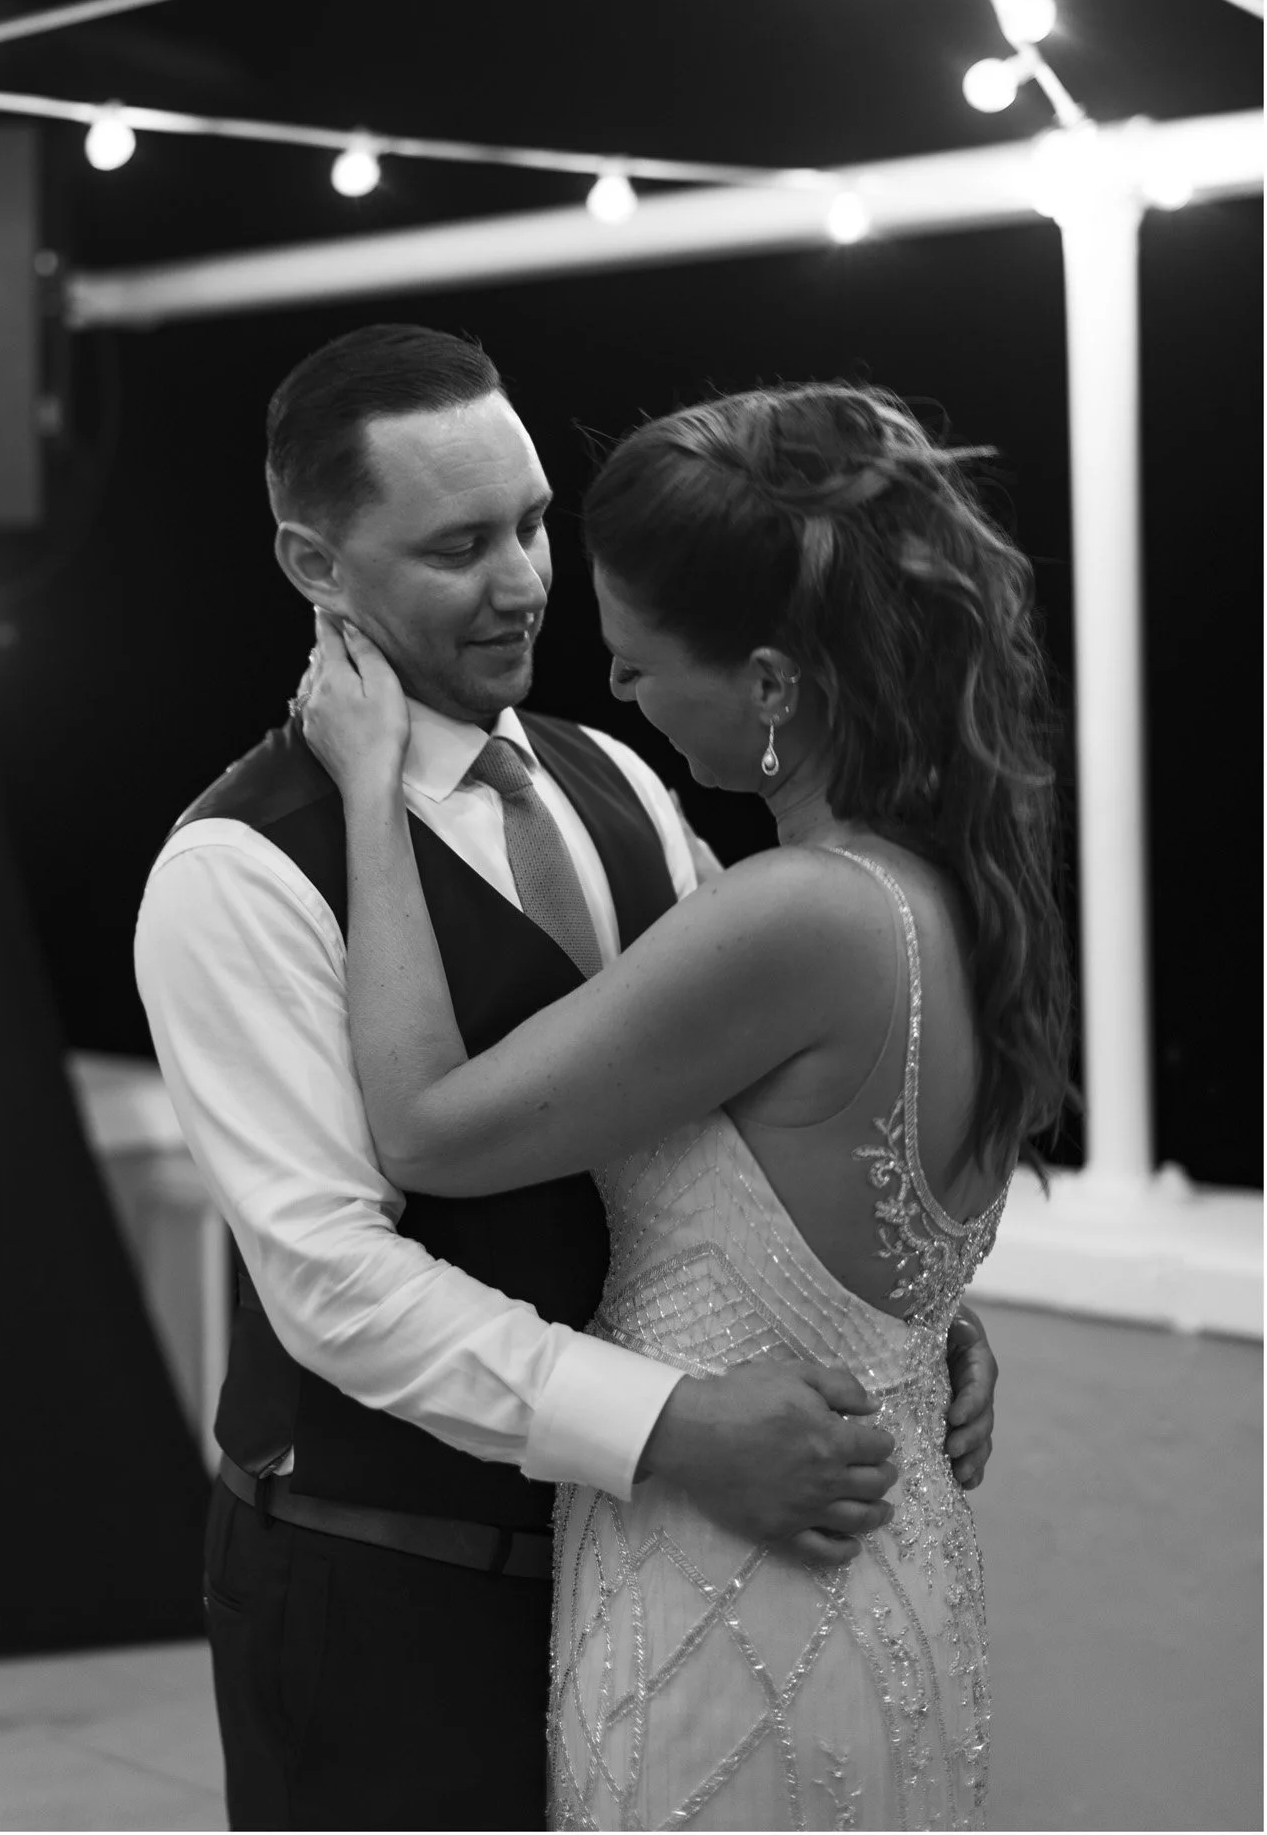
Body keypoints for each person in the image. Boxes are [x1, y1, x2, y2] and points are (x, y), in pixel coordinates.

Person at [134, 328, 1001, 1833]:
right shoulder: (235, 874)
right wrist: (668, 1422)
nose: (527, 580)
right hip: (385, 1586)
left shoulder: (623, 778)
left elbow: (726, 1112)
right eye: (460, 545)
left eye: (533, 521)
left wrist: (887, 1316)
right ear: (313, 561)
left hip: (652, 1576)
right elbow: (333, 1279)